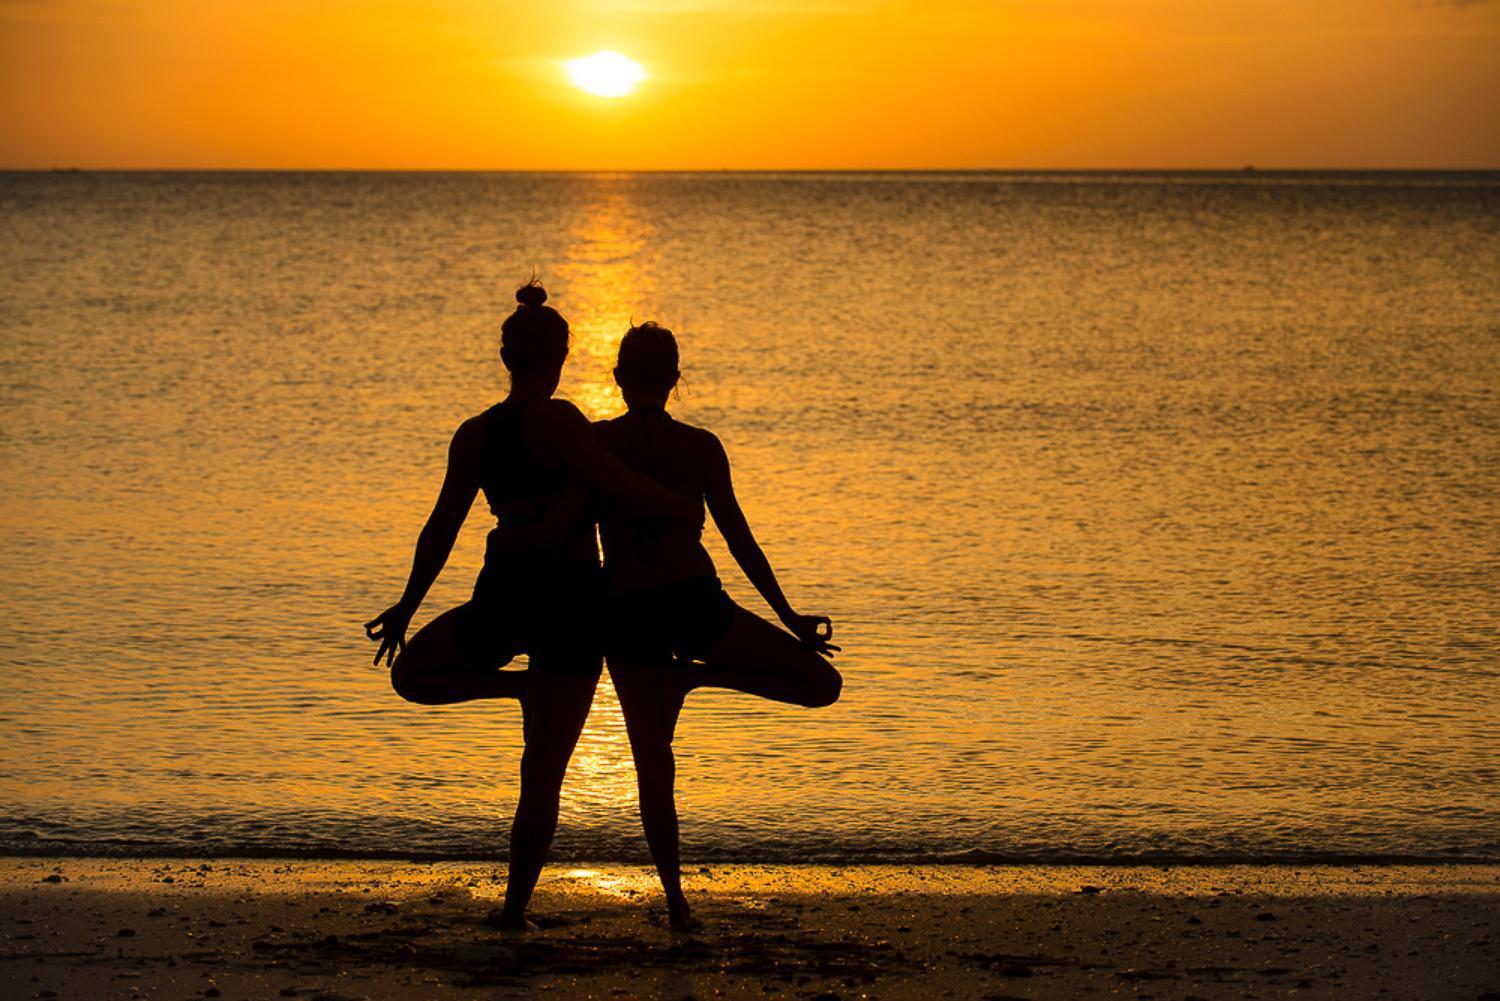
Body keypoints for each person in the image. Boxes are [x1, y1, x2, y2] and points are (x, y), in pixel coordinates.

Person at [363, 282, 696, 930]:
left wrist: (408, 604)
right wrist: (679, 504)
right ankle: (516, 901)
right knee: (540, 770)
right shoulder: (562, 422)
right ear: (562, 356)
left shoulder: (475, 433)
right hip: (570, 602)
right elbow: (619, 483)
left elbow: (441, 528)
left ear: (504, 356)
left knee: (412, 674)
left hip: (506, 590)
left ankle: (515, 904)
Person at [597, 321, 843, 930]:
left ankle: (676, 900)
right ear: (676, 380)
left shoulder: (595, 443)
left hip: (629, 615)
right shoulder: (701, 446)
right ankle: (701, 679)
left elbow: (572, 535)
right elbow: (738, 538)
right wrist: (787, 616)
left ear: (620, 377)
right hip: (691, 604)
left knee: (653, 761)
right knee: (821, 684)